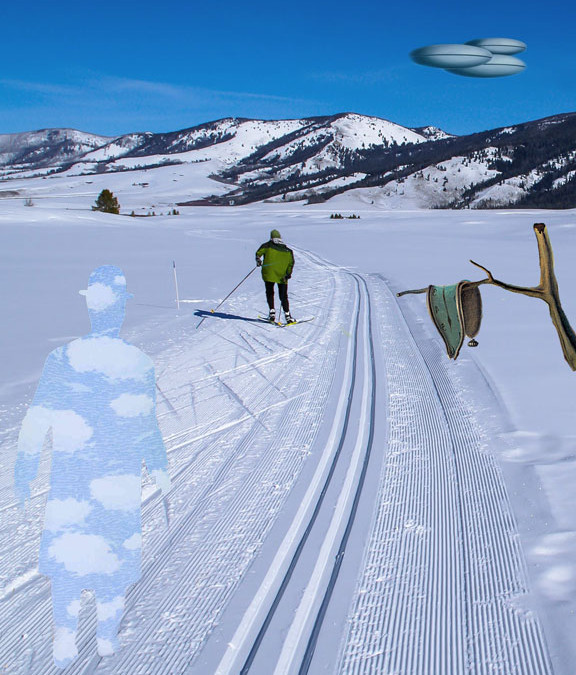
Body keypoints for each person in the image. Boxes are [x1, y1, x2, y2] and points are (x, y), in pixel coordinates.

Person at [14, 265, 171, 669]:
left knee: (69, 561)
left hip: (72, 482)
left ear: (93, 307)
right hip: (116, 484)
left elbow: (37, 419)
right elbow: (146, 425)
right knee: (113, 564)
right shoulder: (138, 363)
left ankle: (65, 642)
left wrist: (25, 468)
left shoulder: (62, 358)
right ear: (119, 308)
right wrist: (157, 466)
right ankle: (105, 639)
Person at [255, 229, 295, 323]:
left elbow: (258, 253)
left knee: (269, 292)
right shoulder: (287, 250)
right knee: (283, 296)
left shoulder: (267, 245)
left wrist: (258, 260)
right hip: (282, 276)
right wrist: (288, 274)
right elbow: (291, 263)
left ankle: (272, 313)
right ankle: (288, 316)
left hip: (268, 273)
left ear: (271, 237)